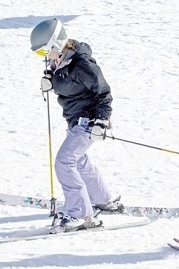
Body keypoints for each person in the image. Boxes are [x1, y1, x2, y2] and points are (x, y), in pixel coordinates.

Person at [30, 18, 120, 232]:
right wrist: (50, 81)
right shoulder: (59, 61)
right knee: (78, 161)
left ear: (55, 45)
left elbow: (104, 93)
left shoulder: (82, 65)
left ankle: (81, 214)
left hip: (90, 120)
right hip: (75, 121)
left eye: (43, 52)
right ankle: (103, 200)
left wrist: (101, 121)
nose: (43, 58)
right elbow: (67, 82)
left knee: (65, 161)